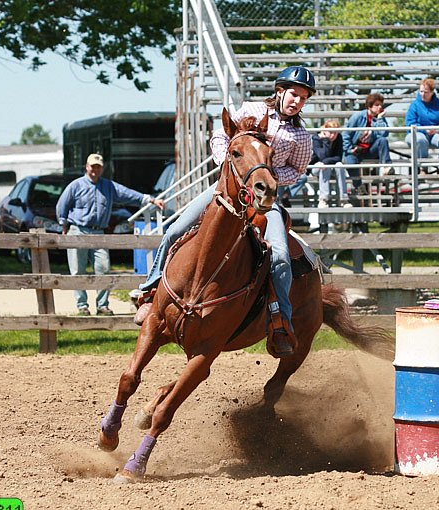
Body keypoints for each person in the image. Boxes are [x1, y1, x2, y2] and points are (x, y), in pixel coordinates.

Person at [131, 66, 316, 356]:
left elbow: (297, 169)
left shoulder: (301, 137)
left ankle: (280, 320)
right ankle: (150, 291)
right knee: (175, 230)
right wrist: (228, 165)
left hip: (266, 199)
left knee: (280, 256)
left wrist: (267, 175)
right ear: (280, 91)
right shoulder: (252, 108)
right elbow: (220, 135)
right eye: (294, 94)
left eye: (304, 98)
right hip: (230, 187)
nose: (297, 101)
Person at [56, 153, 164, 316]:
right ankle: (82, 306)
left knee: (103, 268)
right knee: (78, 270)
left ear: (102, 169)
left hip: (99, 232)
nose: (95, 170)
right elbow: (62, 205)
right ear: (87, 167)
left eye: (98, 167)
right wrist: (63, 225)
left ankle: (102, 305)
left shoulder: (109, 186)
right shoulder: (75, 185)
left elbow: (128, 194)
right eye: (93, 167)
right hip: (78, 230)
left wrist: (149, 200)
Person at [341, 93, 394, 189]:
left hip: (369, 150)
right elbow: (346, 135)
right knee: (350, 162)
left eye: (381, 105)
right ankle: (359, 186)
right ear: (369, 106)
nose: (380, 107)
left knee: (383, 140)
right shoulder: (358, 116)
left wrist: (380, 119)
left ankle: (387, 167)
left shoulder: (380, 118)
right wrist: (349, 149)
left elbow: (384, 134)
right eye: (377, 105)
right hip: (355, 149)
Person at [405, 77, 439, 168]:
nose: (423, 94)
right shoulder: (414, 105)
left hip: (436, 134)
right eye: (421, 91)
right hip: (418, 133)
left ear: (432, 92)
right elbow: (410, 123)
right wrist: (425, 130)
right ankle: (422, 168)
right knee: (420, 139)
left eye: (426, 92)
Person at [311, 119, 350, 208]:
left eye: (335, 133)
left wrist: (326, 162)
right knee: (325, 166)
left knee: (339, 165)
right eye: (331, 132)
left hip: (330, 165)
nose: (333, 135)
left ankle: (344, 199)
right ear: (325, 131)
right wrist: (325, 140)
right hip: (317, 166)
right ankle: (323, 199)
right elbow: (321, 156)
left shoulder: (339, 138)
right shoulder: (316, 138)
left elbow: (338, 157)